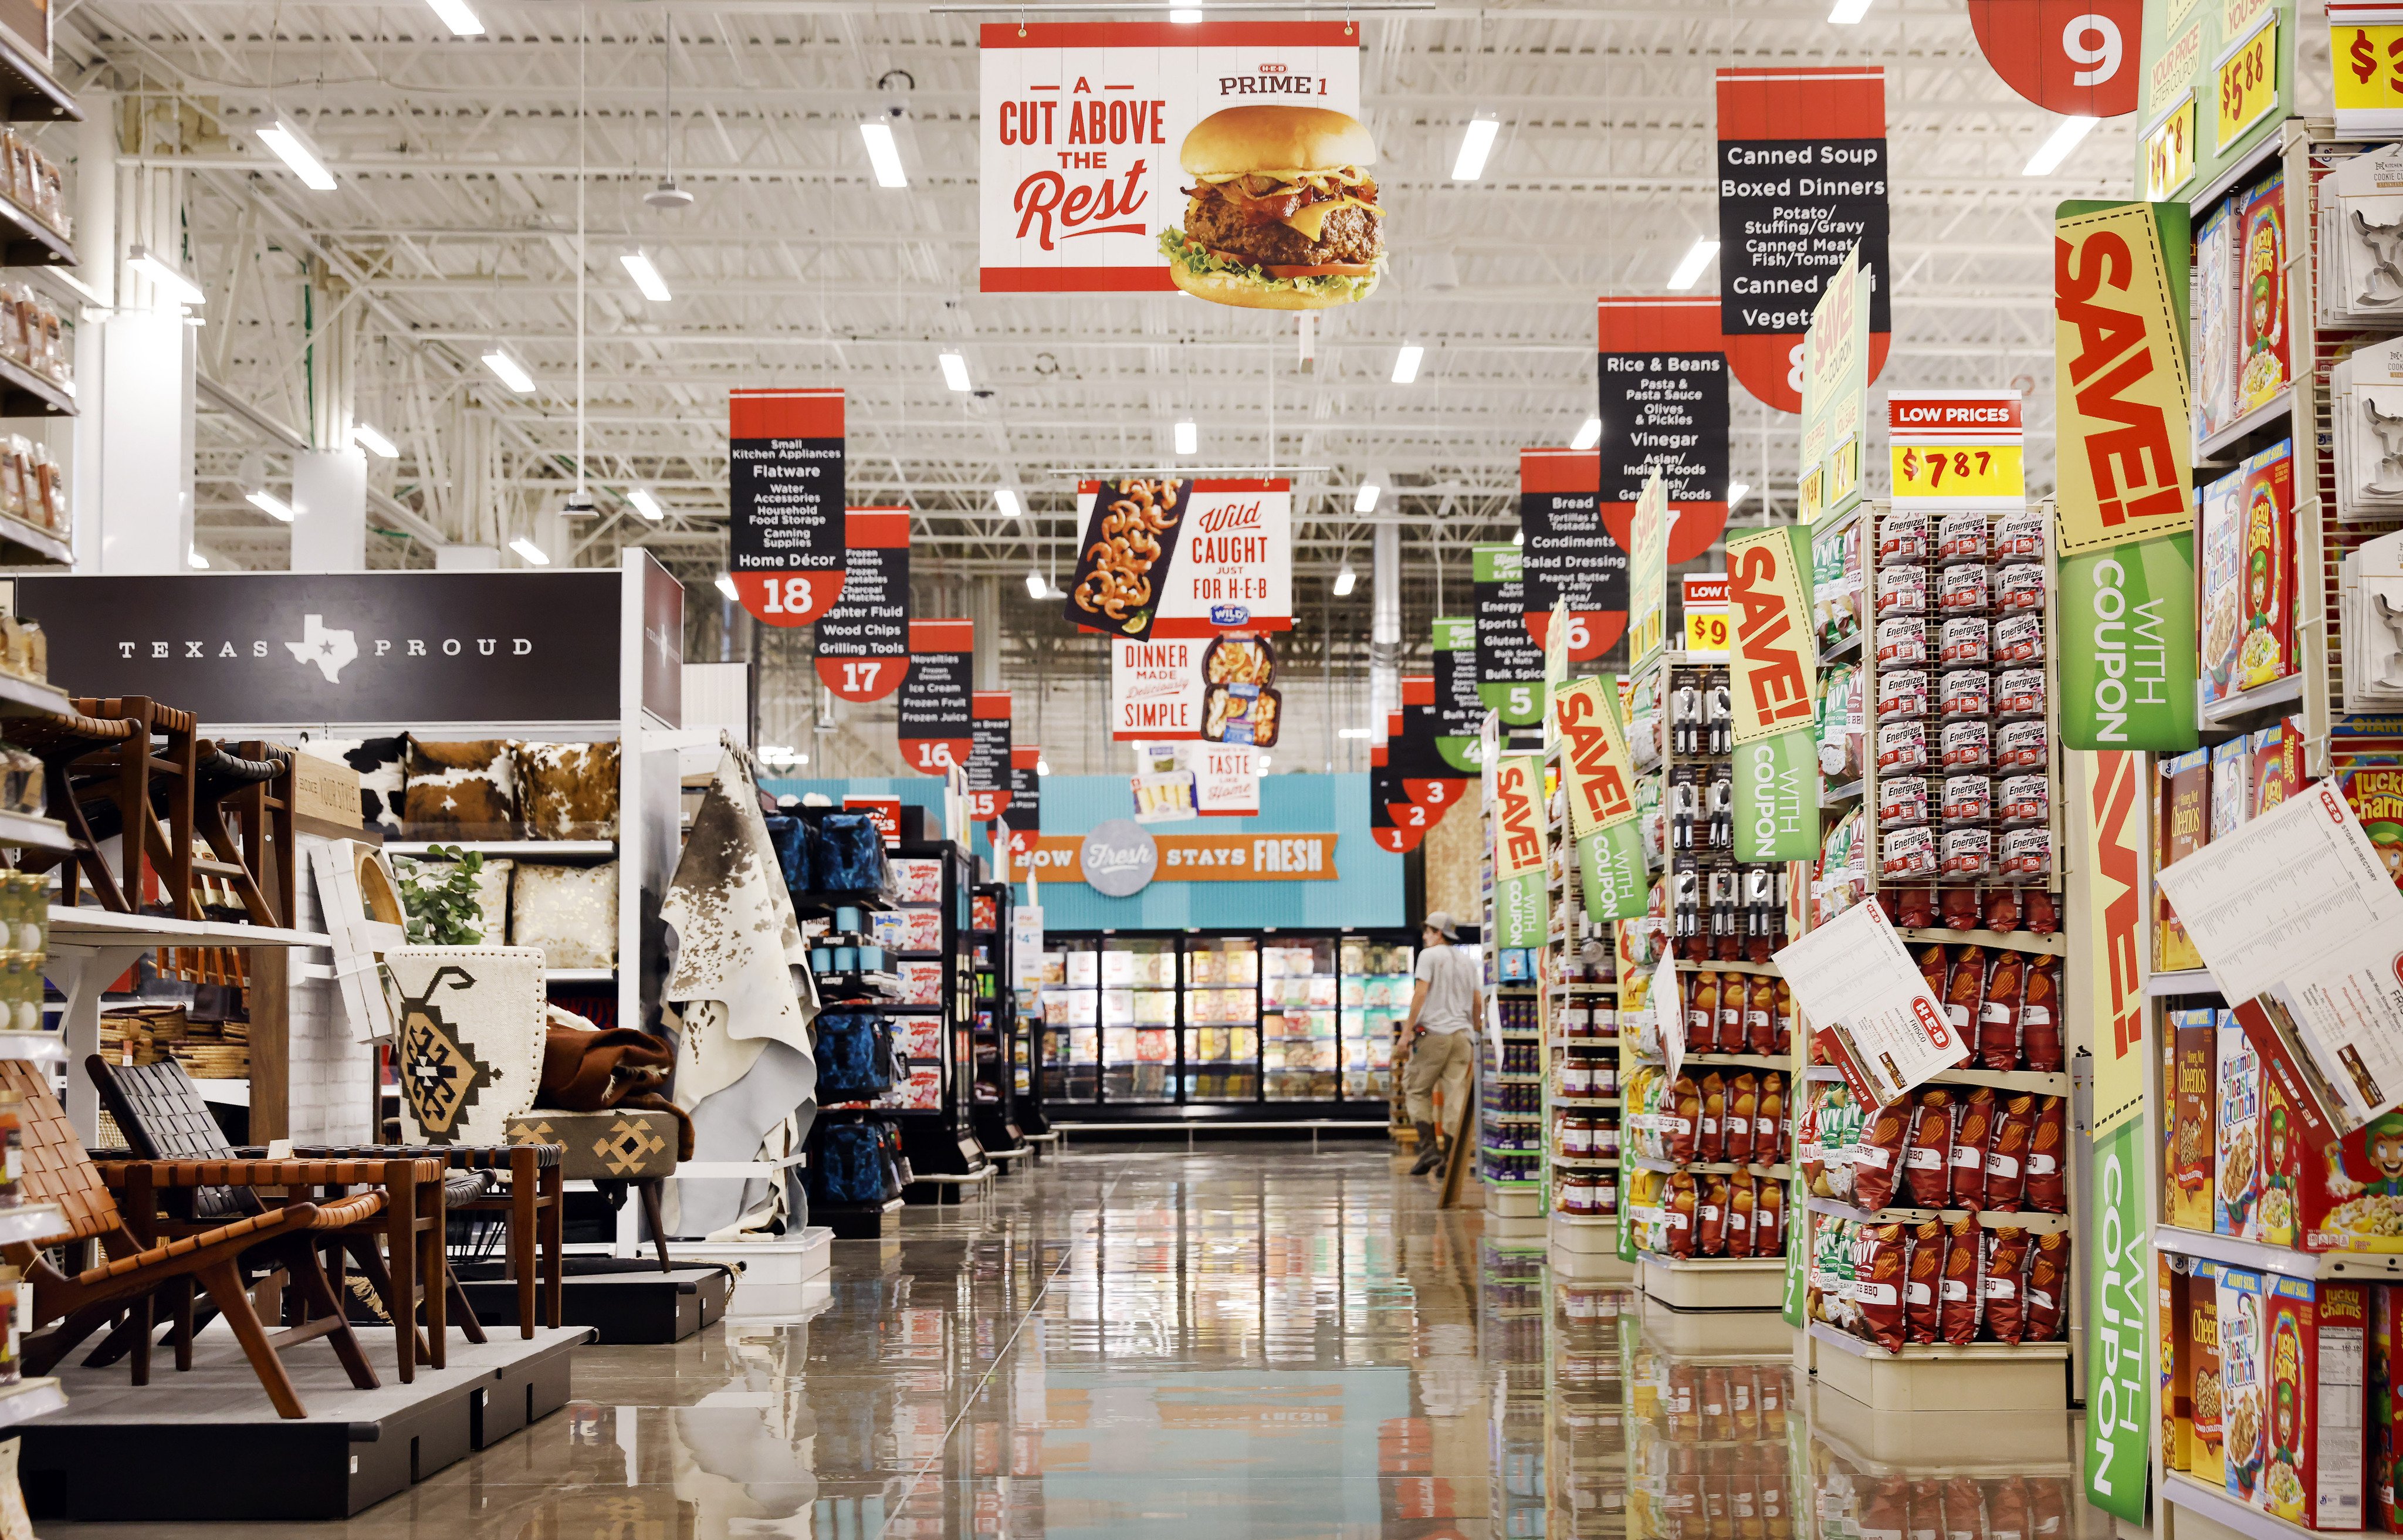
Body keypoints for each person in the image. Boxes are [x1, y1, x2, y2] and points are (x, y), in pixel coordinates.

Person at [1398, 911, 1480, 1176]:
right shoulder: (1468, 962)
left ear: (1438, 934)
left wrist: (1406, 1033)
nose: (1424, 937)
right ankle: (1451, 1160)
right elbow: (1477, 1000)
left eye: (1428, 932)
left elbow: (1420, 993)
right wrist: (1477, 1032)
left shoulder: (1429, 956)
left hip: (1434, 1035)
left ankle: (1428, 1150)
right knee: (1454, 1095)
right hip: (1462, 1038)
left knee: (1416, 1089)